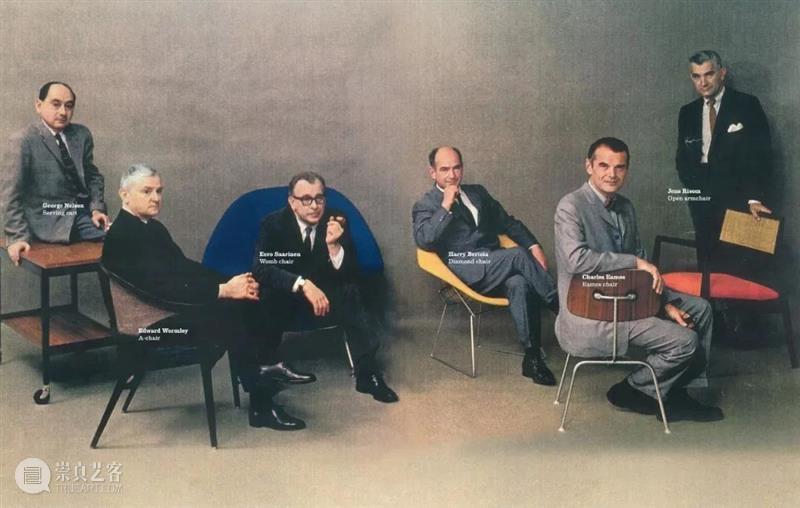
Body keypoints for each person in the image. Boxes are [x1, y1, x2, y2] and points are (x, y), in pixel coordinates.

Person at [102, 164, 307, 431]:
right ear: (124, 194)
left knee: (248, 298)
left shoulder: (150, 228)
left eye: (159, 191)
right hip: (149, 330)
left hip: (166, 313)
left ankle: (264, 373)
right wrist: (223, 291)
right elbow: (162, 289)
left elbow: (184, 269)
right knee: (233, 312)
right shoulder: (123, 236)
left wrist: (231, 281)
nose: (156, 198)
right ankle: (261, 392)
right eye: (147, 191)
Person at [555, 137, 722, 422]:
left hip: (626, 298)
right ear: (589, 166)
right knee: (685, 341)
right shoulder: (570, 206)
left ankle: (676, 391)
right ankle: (635, 388)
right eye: (604, 166)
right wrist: (634, 262)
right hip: (591, 313)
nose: (612, 174)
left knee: (701, 309)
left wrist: (664, 303)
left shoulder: (626, 207)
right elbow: (576, 260)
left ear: (626, 170)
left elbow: (643, 265)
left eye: (620, 167)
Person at [412, 146, 559, 385]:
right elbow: (425, 239)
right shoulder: (426, 204)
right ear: (433, 173)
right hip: (465, 267)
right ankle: (562, 309)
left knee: (519, 283)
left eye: (456, 168)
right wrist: (445, 205)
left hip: (495, 262)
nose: (452, 175)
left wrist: (534, 245)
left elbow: (507, 222)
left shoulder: (477, 193)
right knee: (517, 256)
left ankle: (532, 359)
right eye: (444, 169)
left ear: (462, 168)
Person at [250, 171, 399, 405]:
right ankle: (269, 367)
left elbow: (350, 272)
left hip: (325, 295)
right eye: (306, 199)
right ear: (292, 202)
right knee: (265, 293)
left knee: (352, 291)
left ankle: (367, 374)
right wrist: (302, 284)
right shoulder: (273, 223)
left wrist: (334, 246)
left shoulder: (336, 220)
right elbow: (261, 268)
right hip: (287, 296)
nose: (314, 206)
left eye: (319, 198)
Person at [675, 50, 773, 274]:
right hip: (702, 201)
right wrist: (695, 191)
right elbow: (682, 158)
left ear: (722, 73)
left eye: (709, 74)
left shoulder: (747, 104)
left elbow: (761, 155)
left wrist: (754, 198)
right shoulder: (687, 112)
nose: (703, 82)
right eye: (696, 76)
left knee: (738, 272)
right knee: (708, 270)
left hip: (738, 199)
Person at [1, 82, 110, 266]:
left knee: (129, 235)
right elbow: (9, 195)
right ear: (38, 105)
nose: (62, 112)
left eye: (69, 106)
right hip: (50, 218)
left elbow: (93, 176)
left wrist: (97, 208)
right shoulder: (23, 140)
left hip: (84, 212)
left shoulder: (81, 135)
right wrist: (17, 236)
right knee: (123, 240)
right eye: (56, 104)